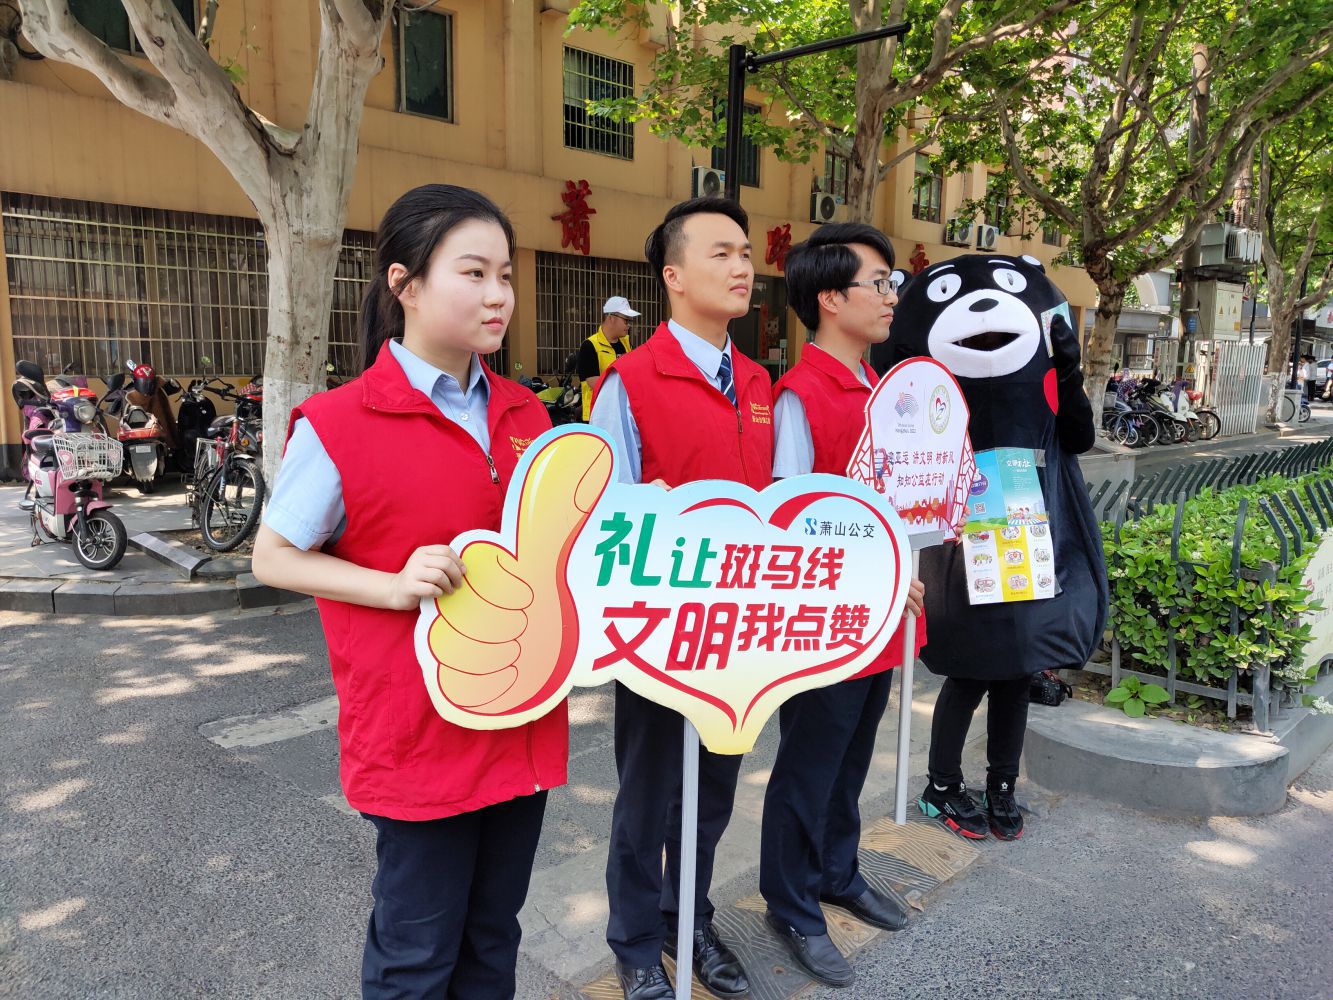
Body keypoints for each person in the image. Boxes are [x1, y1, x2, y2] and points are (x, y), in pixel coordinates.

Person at [251, 184, 566, 1000]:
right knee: (416, 958)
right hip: (416, 737)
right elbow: (274, 557)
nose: (498, 295)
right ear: (406, 284)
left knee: (493, 940)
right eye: (474, 272)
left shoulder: (526, 416)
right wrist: (392, 586)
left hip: (519, 719)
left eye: (505, 275)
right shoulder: (339, 422)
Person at [589, 197, 771, 1000]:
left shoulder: (758, 382)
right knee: (649, 795)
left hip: (741, 635)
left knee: (713, 792)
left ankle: (685, 918)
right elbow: (606, 517)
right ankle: (633, 941)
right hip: (658, 635)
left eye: (746, 254)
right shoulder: (628, 382)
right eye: (721, 253)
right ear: (672, 275)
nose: (742, 268)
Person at [761, 223, 925, 989]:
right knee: (808, 764)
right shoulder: (800, 395)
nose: (891, 297)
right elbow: (790, 525)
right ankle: (790, 903)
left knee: (852, 754)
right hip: (823, 624)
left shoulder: (882, 391)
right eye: (878, 284)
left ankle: (836, 870)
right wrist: (872, 574)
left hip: (879, 614)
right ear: (830, 299)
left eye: (893, 284)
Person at [579, 296, 640, 419]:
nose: (628, 325)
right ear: (611, 318)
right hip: (597, 414)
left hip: (621, 412)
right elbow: (593, 382)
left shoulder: (626, 344)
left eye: (629, 321)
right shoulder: (590, 345)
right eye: (625, 320)